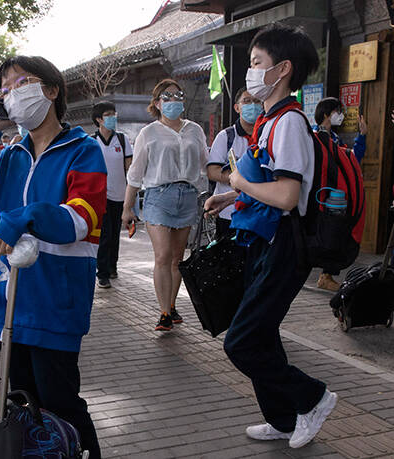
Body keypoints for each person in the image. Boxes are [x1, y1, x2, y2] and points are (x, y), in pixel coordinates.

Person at [0, 55, 105, 459]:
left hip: (56, 298)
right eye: (5, 89)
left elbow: (79, 219)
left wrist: (21, 219)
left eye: (22, 83)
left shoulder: (83, 150)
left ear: (51, 90)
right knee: (18, 400)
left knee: (60, 401)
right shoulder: (9, 155)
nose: (11, 94)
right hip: (11, 299)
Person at [204, 23, 337, 449]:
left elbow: (287, 194)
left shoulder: (290, 123)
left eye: (257, 63)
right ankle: (282, 418)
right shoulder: (269, 120)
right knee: (261, 334)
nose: (250, 71)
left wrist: (239, 186)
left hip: (285, 243)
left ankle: (312, 398)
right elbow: (267, 184)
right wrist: (229, 197)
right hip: (264, 239)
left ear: (282, 70)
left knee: (242, 341)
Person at [122, 79, 207, 331]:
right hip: (158, 196)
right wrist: (128, 208)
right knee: (162, 255)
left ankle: (171, 306)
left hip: (188, 195)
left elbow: (206, 165)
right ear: (157, 103)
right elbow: (136, 174)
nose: (174, 100)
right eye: (167, 96)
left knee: (177, 258)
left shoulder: (195, 130)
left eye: (178, 95)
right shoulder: (148, 133)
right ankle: (163, 313)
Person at [313, 97, 367, 291]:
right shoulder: (312, 136)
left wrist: (362, 136)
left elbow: (352, 160)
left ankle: (326, 275)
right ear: (327, 114)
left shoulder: (335, 139)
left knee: (336, 232)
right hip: (319, 194)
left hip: (335, 196)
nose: (341, 116)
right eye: (338, 111)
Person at [206, 88, 261, 239]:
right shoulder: (226, 136)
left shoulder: (266, 136)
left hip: (259, 211)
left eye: (257, 101)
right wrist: (238, 178)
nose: (252, 105)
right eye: (247, 101)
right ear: (237, 107)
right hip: (228, 212)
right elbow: (212, 171)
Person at [91, 101, 133, 288]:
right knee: (105, 234)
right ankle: (103, 273)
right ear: (99, 119)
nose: (113, 118)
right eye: (108, 114)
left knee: (115, 233)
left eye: (114, 114)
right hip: (100, 196)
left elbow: (129, 167)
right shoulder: (92, 142)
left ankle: (112, 266)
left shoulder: (122, 140)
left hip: (120, 194)